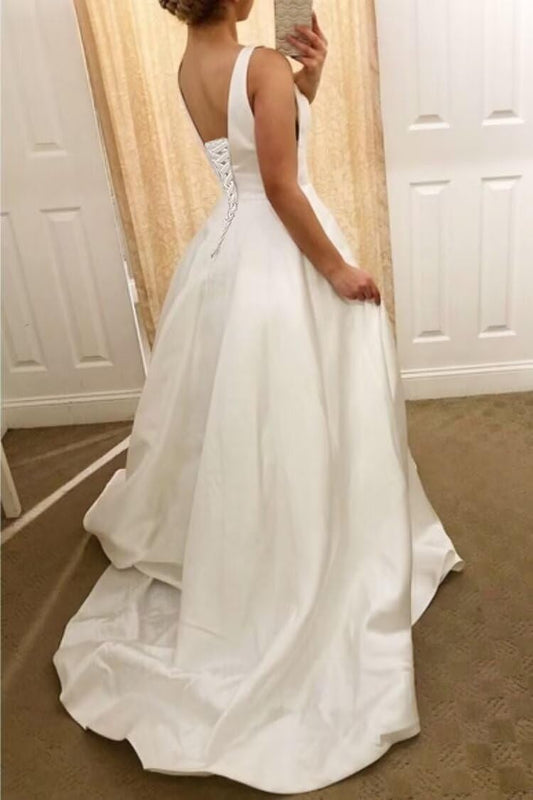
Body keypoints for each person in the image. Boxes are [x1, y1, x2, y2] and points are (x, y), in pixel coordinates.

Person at [53, 0, 465, 794]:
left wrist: (311, 79)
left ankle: (246, 524)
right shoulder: (261, 64)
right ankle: (306, 537)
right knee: (296, 408)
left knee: (243, 415)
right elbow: (280, 184)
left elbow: (249, 147)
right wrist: (336, 269)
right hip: (281, 255)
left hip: (225, 250)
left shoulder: (191, 65)